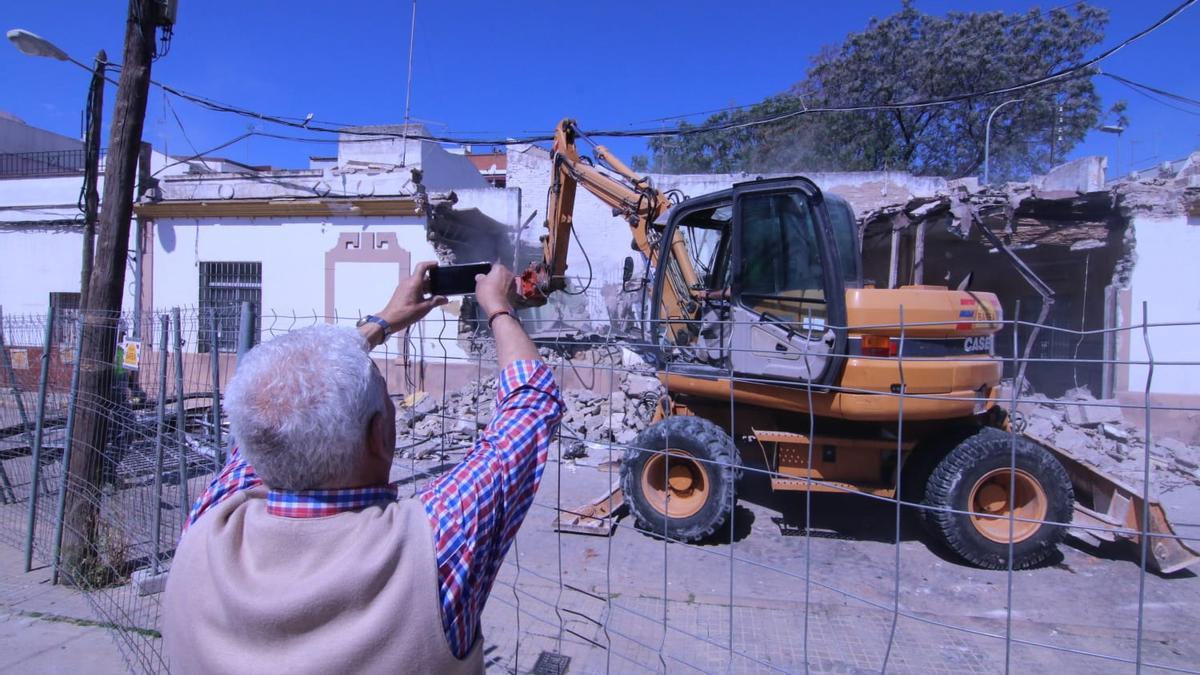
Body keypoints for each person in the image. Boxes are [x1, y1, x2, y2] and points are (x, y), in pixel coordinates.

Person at [162, 262, 563, 674]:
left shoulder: (208, 524)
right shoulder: (433, 545)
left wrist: (382, 322)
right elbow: (531, 405)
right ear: (380, 435)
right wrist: (498, 308)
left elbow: (274, 415)